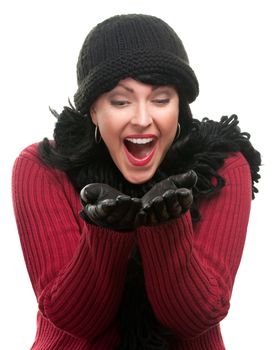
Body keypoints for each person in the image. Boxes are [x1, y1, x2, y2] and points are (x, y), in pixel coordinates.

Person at [12, 14, 261, 350]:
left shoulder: (222, 167)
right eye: (120, 101)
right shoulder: (42, 168)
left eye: (161, 99)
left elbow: (199, 317)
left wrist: (166, 229)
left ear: (180, 107)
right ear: (93, 111)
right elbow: (76, 320)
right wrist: (105, 234)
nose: (143, 119)